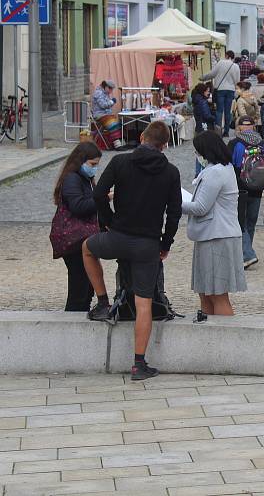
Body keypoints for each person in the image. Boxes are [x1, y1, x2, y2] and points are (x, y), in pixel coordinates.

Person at [82, 121, 182, 380]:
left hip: (118, 235)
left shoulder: (120, 162)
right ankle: (139, 364)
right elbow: (174, 213)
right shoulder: (170, 172)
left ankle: (103, 302)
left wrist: (108, 222)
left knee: (87, 249)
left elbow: (99, 194)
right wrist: (165, 244)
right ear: (164, 145)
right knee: (144, 303)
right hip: (148, 244)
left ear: (142, 137)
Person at [183, 131, 247, 315]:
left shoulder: (216, 172)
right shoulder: (220, 169)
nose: (197, 155)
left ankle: (224, 337)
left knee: (217, 294)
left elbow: (201, 207)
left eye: (198, 151)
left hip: (217, 237)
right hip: (212, 235)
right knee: (205, 292)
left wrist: (174, 203)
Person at [52, 143, 103, 312]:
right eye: (92, 164)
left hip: (82, 239)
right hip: (74, 241)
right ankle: (72, 322)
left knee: (86, 287)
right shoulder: (72, 179)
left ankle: (80, 316)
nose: (95, 169)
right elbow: (78, 206)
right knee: (79, 287)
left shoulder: (85, 179)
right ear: (81, 161)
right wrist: (103, 198)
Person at [229, 116, 264, 269]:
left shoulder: (235, 144)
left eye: (248, 125)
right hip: (257, 188)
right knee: (251, 222)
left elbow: (230, 165)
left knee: (241, 222)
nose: (247, 127)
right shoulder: (262, 144)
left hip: (240, 188)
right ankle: (246, 253)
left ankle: (247, 255)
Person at [201, 50, 240, 137]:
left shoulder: (221, 63)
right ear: (233, 57)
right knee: (227, 111)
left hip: (221, 89)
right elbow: (237, 81)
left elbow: (212, 74)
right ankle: (226, 131)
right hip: (230, 90)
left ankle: (218, 131)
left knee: (219, 111)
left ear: (226, 55)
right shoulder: (236, 66)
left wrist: (203, 78)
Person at [91, 80, 122, 148]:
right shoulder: (98, 93)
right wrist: (112, 102)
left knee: (116, 120)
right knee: (112, 122)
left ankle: (116, 142)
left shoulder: (105, 93)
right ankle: (117, 144)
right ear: (105, 87)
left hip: (104, 114)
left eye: (112, 89)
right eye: (110, 89)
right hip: (99, 115)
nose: (111, 91)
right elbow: (103, 105)